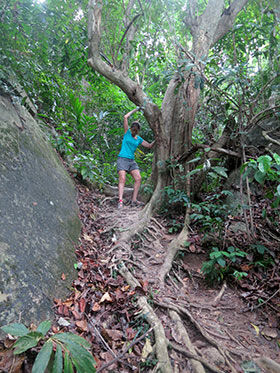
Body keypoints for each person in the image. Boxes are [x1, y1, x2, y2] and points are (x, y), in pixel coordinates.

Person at [117, 107, 155, 209]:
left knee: (138, 178)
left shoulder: (138, 139)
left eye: (136, 129)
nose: (134, 130)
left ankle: (134, 200)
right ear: (131, 128)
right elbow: (125, 117)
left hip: (131, 161)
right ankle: (120, 201)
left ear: (138, 131)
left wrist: (158, 137)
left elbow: (149, 145)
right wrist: (136, 109)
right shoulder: (127, 134)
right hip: (122, 159)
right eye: (133, 128)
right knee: (122, 179)